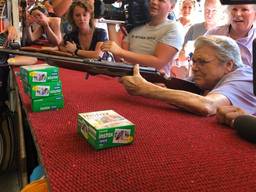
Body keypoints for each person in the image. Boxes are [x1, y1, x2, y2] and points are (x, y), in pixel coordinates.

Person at [119, 35, 256, 116]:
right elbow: (185, 93)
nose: (195, 68)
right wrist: (162, 88)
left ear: (228, 65)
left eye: (202, 62)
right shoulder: (209, 77)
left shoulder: (244, 78)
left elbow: (207, 105)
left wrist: (146, 89)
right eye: (194, 61)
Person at [101, 0, 184, 77]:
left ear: (172, 7)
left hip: (154, 84)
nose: (154, 2)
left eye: (161, 0)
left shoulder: (174, 28)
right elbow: (120, 59)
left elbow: (158, 62)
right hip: (128, 80)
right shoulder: (136, 28)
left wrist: (120, 52)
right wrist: (110, 23)